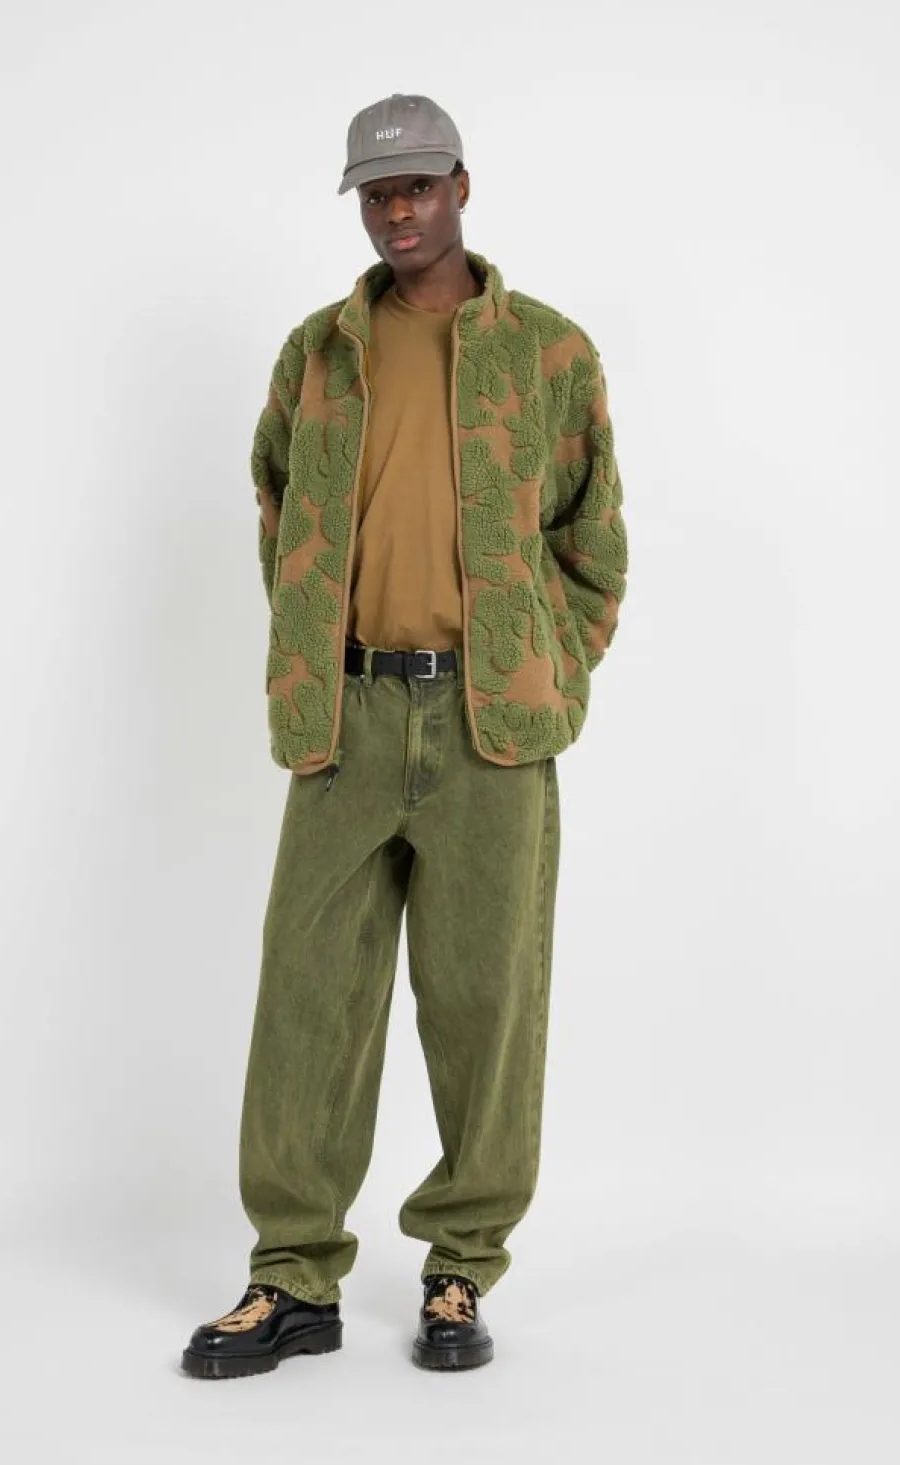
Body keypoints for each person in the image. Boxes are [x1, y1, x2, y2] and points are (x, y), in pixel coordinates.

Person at [181, 92, 628, 1379]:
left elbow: (593, 540)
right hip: (347, 716)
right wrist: (313, 655)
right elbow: (281, 513)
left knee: (487, 1005)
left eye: (418, 187)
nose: (398, 212)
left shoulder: (550, 352)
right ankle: (291, 1277)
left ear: (461, 187)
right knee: (307, 997)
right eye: (378, 194)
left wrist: (545, 663)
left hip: (494, 724)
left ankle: (458, 1269)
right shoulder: (317, 352)